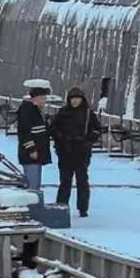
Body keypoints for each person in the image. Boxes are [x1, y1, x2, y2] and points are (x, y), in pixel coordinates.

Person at [52, 85, 102, 217]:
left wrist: (87, 142)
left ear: (82, 100)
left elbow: (96, 130)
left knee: (82, 181)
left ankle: (83, 208)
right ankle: (61, 206)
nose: (74, 101)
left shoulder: (88, 114)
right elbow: (54, 129)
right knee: (65, 182)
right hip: (65, 152)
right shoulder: (63, 112)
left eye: (77, 99)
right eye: (72, 99)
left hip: (81, 152)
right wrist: (61, 140)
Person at [14, 79, 53, 194]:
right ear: (36, 98)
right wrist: (31, 149)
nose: (45, 101)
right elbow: (24, 132)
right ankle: (32, 207)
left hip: (37, 154)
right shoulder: (27, 111)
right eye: (43, 98)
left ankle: (34, 205)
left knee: (35, 183)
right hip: (30, 155)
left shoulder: (36, 111)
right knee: (32, 186)